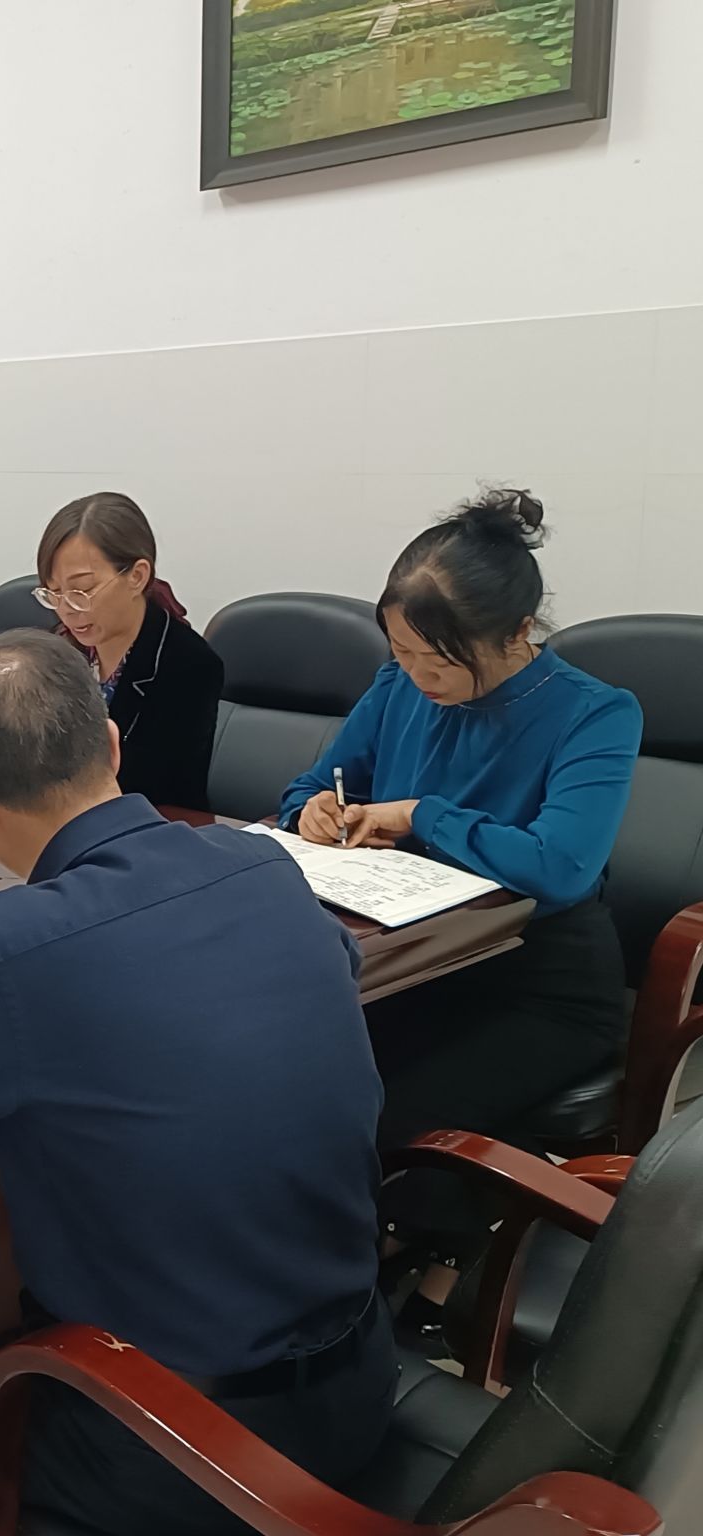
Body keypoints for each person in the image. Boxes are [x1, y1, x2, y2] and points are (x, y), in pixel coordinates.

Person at [0, 630, 393, 1536]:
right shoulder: (262, 862)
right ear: (111, 744)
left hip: (183, 1434)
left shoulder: (10, 947)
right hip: (361, 1371)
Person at [280, 489, 641, 1260]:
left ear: (517, 632)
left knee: (393, 1112)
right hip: (417, 960)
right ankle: (386, 1253)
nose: (417, 676)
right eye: (402, 652)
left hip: (539, 984)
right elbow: (310, 786)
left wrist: (421, 815)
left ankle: (432, 1270)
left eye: (440, 660)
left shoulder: (595, 713)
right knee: (297, 1074)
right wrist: (311, 808)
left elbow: (560, 867)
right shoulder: (396, 685)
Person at [36, 492, 223, 810]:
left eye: (83, 590)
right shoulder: (59, 652)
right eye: (54, 592)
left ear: (137, 576)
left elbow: (159, 789)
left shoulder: (187, 664)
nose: (67, 608)